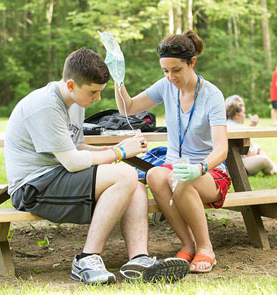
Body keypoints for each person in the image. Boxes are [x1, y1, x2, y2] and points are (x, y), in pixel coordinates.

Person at [4, 48, 189, 284]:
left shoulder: (74, 102)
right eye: (93, 92)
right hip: (33, 188)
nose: (98, 98)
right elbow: (72, 163)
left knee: (134, 183)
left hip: (56, 177)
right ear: (71, 85)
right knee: (125, 175)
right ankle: (86, 259)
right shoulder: (46, 106)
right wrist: (119, 153)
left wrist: (112, 149)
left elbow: (76, 147)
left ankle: (138, 260)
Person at [111, 30, 231, 273]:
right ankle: (187, 244)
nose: (170, 77)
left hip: (210, 171)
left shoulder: (212, 95)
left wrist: (199, 168)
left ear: (192, 62)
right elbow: (128, 108)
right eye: (165, 71)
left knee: (181, 180)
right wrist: (118, 79)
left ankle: (206, 248)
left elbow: (222, 149)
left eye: (176, 70)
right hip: (175, 167)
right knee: (155, 175)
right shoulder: (166, 86)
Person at [226, 95, 277, 175]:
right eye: (243, 113)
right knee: (264, 159)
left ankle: (273, 168)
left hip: (234, 162)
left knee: (259, 150)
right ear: (237, 114)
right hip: (236, 164)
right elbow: (247, 153)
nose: (244, 115)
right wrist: (256, 150)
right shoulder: (236, 127)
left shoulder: (227, 124)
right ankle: (273, 170)